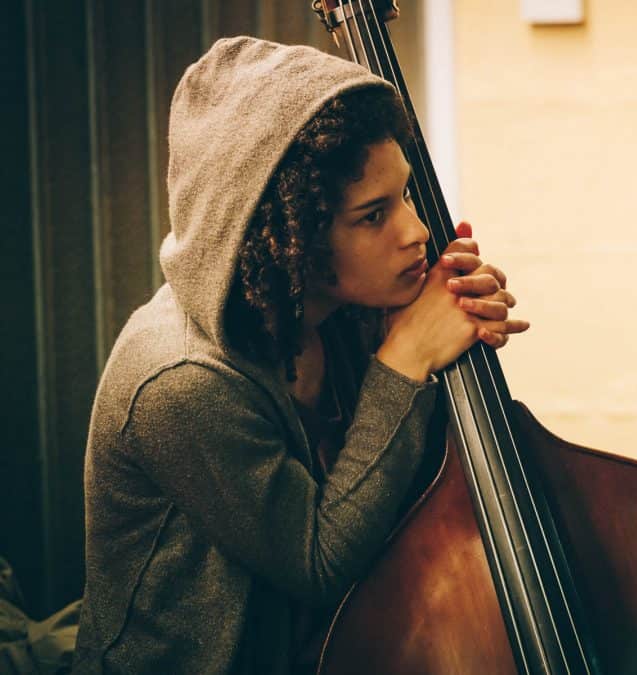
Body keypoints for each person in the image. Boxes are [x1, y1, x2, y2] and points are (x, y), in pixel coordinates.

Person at [73, 35, 528, 674]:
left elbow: (415, 485)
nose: (416, 230)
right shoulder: (179, 381)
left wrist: (454, 336)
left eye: (403, 196)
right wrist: (408, 355)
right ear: (287, 237)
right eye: (373, 217)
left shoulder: (340, 312)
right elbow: (318, 560)